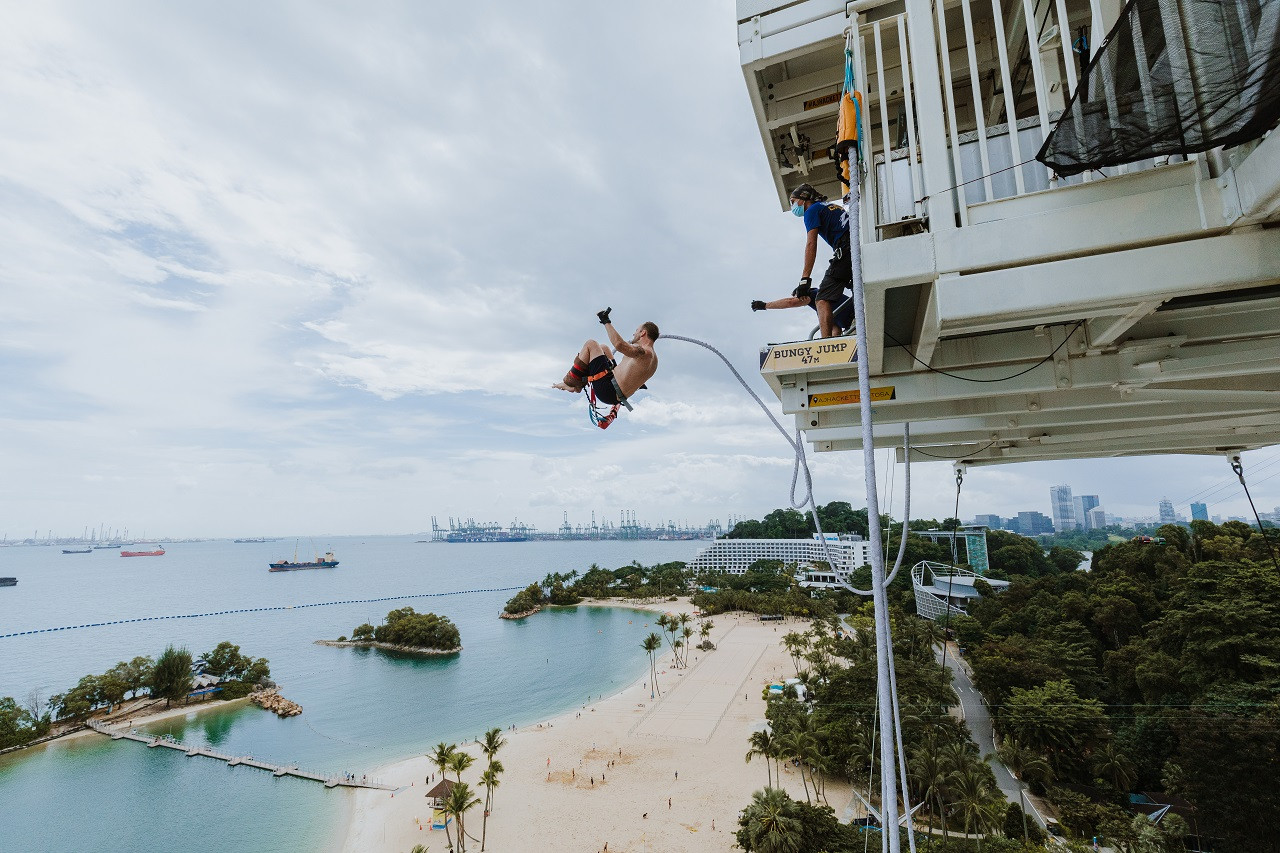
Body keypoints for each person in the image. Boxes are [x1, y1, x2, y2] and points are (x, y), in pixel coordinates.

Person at [753, 183, 852, 337]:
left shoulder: (811, 210)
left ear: (803, 199)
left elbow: (811, 243)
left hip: (845, 250)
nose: (793, 206)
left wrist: (805, 280)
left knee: (822, 300)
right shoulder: (829, 206)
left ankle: (825, 345)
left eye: (793, 201)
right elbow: (835, 328)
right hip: (854, 248)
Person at [554, 308, 660, 420]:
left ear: (643, 333)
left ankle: (570, 383)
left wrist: (606, 321)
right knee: (604, 348)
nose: (634, 333)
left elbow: (619, 345)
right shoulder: (654, 360)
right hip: (615, 390)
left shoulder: (644, 352)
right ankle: (579, 384)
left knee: (591, 344)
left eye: (637, 330)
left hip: (609, 390)